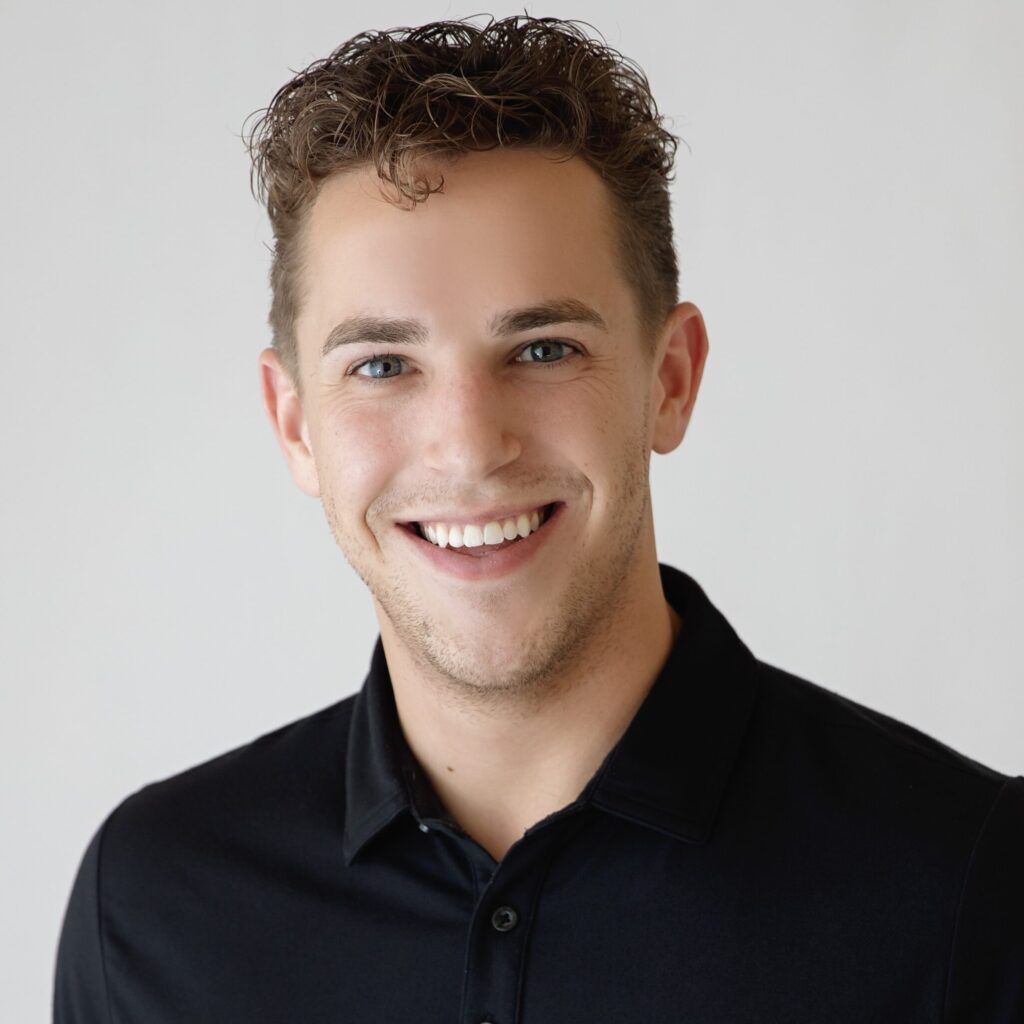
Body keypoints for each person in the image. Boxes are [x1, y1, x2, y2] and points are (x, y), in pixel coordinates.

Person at [54, 15, 1023, 1022]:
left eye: (544, 349)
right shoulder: (149, 911)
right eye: (382, 366)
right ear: (294, 423)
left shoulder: (968, 884)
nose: (470, 448)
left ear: (670, 380)